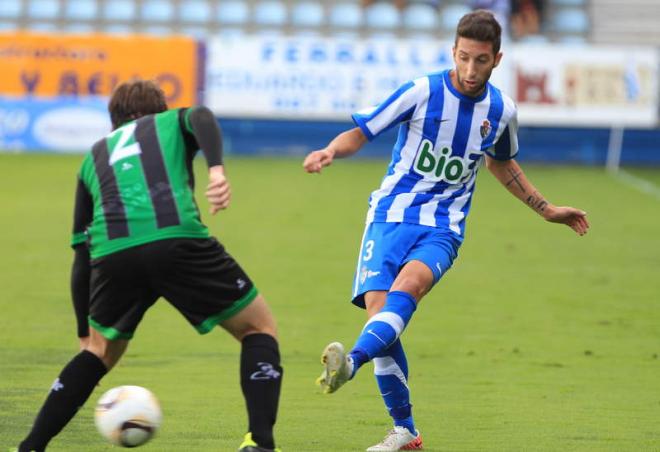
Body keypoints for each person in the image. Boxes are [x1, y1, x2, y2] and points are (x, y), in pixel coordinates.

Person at [303, 10, 588, 452]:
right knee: (382, 318)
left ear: (497, 59)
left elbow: (501, 162)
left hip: (442, 227)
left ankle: (351, 364)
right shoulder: (421, 91)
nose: (470, 70)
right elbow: (364, 130)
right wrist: (329, 151)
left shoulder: (501, 110)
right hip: (388, 217)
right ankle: (406, 432)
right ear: (452, 52)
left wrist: (545, 208)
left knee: (410, 288)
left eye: (480, 60)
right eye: (463, 58)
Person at [16, 80, 283, 452]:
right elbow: (201, 115)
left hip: (113, 254)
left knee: (98, 353)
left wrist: (84, 330)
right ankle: (260, 442)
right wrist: (217, 170)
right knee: (258, 327)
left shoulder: (92, 157)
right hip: (178, 240)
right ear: (155, 112)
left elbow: (80, 255)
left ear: (115, 121)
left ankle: (31, 446)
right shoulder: (169, 122)